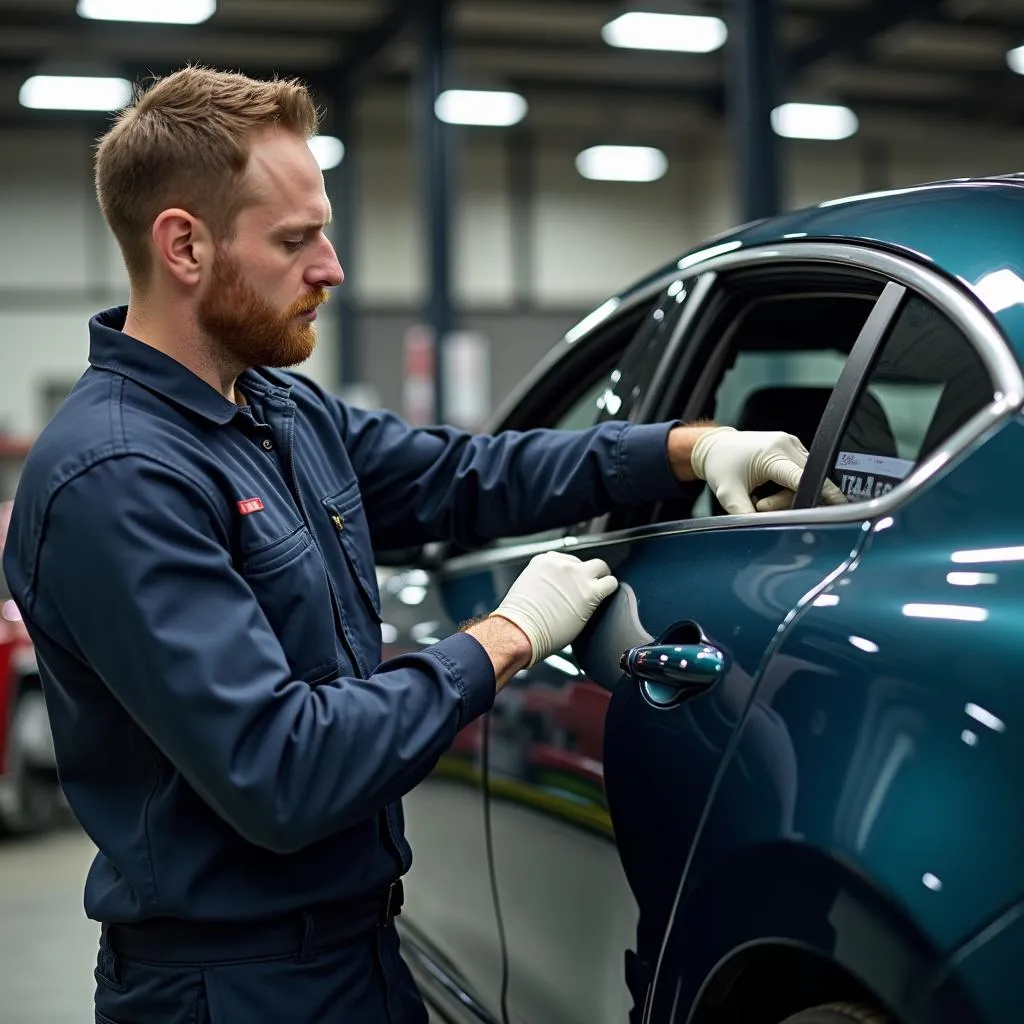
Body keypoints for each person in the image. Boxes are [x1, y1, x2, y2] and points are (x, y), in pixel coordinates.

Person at [2, 67, 838, 1024]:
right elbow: (282, 769)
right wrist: (508, 636)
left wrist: (689, 447)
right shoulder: (117, 477)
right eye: (295, 239)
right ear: (183, 245)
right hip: (231, 988)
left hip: (355, 957)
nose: (332, 267)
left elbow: (465, 476)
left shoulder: (278, 411)